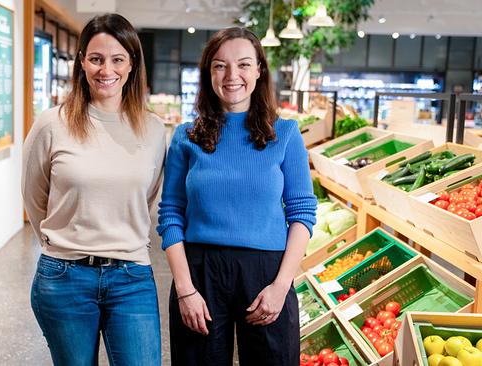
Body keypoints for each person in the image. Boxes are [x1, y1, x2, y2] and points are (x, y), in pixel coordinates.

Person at [157, 27, 317, 365]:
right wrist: (185, 289)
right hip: (200, 275)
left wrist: (281, 286)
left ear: (259, 70)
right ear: (208, 73)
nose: (232, 75)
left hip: (267, 274)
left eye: (244, 64)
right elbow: (171, 215)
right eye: (220, 65)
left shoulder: (285, 134)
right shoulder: (186, 137)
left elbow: (302, 213)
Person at [22, 13, 165, 366]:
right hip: (64, 277)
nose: (106, 70)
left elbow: (146, 197)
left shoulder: (153, 129)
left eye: (118, 59)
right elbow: (33, 195)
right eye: (96, 58)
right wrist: (65, 237)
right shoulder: (52, 123)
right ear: (82, 61)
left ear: (132, 64)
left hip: (131, 276)